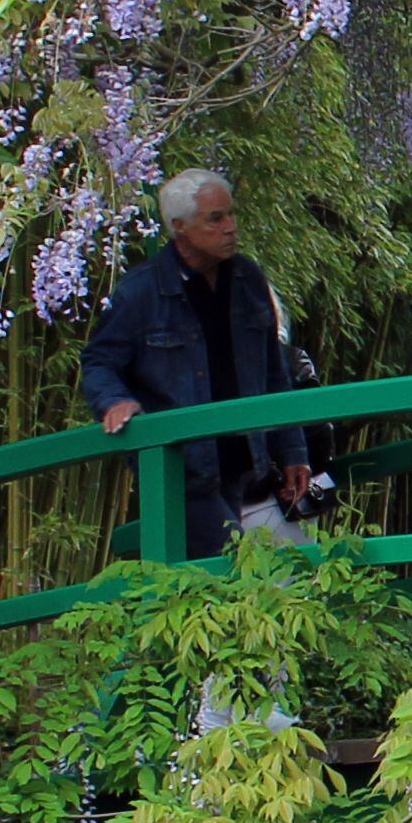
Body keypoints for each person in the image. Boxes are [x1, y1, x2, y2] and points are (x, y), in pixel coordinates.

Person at [82, 168, 335, 555]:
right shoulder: (143, 291)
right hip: (181, 466)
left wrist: (293, 452)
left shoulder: (247, 279)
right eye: (215, 219)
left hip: (242, 457)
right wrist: (114, 401)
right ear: (180, 227)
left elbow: (273, 374)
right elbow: (100, 360)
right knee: (232, 565)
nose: (230, 227)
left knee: (220, 582)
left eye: (231, 215)